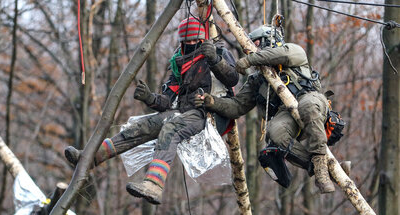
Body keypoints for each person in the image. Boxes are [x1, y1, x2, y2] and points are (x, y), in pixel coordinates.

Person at [64, 17, 239, 204]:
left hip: (211, 112)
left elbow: (233, 79)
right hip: (184, 112)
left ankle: (154, 184)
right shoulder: (179, 62)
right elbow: (167, 99)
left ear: (202, 39)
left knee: (171, 128)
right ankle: (91, 157)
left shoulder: (218, 52)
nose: (190, 44)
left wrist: (214, 59)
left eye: (194, 40)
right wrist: (150, 97)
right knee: (143, 126)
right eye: (186, 41)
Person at [195, 25, 335, 193]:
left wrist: (250, 60)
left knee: (307, 106)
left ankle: (320, 163)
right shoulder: (257, 80)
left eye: (257, 43)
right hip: (286, 115)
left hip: (311, 101)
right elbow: (236, 107)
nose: (254, 49)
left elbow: (280, 54)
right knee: (275, 132)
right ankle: (323, 169)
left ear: (270, 39)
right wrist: (212, 102)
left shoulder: (293, 51)